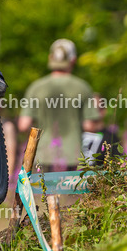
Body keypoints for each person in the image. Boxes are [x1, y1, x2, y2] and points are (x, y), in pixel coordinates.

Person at [17, 39, 116, 170]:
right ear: (73, 60)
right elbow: (89, 126)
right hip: (73, 157)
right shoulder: (82, 87)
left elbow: (23, 125)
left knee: (44, 190)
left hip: (42, 157)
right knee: (69, 191)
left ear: (50, 57)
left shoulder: (36, 87)